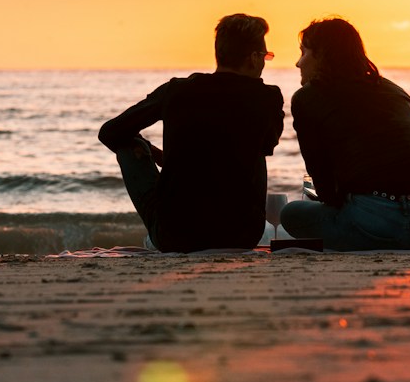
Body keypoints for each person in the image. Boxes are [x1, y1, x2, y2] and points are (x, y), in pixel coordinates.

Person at [280, 17, 410, 250]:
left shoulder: (306, 98)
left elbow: (323, 182)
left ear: (321, 55)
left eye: (303, 52)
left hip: (370, 228)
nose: (298, 63)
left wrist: (346, 203)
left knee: (291, 213)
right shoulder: (395, 91)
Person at [98, 14, 285, 252]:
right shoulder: (268, 97)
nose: (265, 62)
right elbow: (266, 144)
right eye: (265, 56)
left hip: (176, 236)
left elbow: (110, 132)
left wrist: (149, 151)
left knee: (126, 142)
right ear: (253, 58)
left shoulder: (177, 91)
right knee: (256, 148)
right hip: (242, 234)